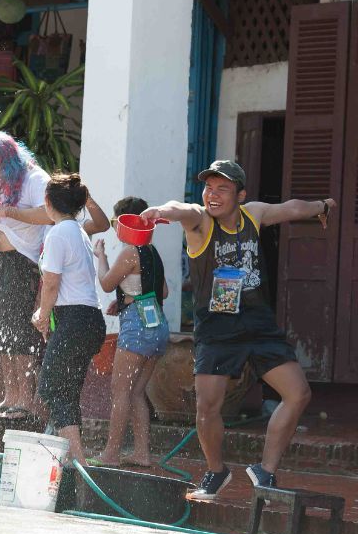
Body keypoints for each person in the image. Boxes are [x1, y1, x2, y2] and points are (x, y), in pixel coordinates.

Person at [140, 160, 336, 499]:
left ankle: (266, 470)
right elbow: (182, 209)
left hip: (258, 322)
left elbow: (290, 208)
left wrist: (321, 207)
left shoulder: (253, 214)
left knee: (298, 393)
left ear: (240, 195)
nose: (212, 196)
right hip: (218, 328)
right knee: (207, 408)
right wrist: (160, 210)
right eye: (209, 188)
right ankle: (216, 472)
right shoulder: (200, 222)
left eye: (223, 189)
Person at [0, 131, 110, 420]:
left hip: (23, 262)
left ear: (8, 158)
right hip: (0, 259)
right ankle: (10, 396)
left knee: (19, 333)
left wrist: (7, 211)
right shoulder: (2, 180)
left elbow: (49, 215)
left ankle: (23, 400)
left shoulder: (35, 179)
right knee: (0, 332)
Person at [32, 173, 105, 465]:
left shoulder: (59, 233)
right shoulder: (78, 231)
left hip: (74, 319)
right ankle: (68, 460)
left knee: (51, 385)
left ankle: (78, 461)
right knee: (66, 389)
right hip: (88, 320)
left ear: (48, 202)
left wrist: (42, 314)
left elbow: (51, 284)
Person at [92, 196, 169, 467]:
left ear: (126, 223)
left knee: (121, 390)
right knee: (137, 391)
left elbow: (105, 282)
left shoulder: (129, 252)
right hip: (158, 326)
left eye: (115, 222)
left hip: (137, 329)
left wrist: (101, 256)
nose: (114, 228)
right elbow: (164, 292)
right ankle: (142, 453)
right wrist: (129, 297)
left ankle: (111, 453)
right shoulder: (152, 252)